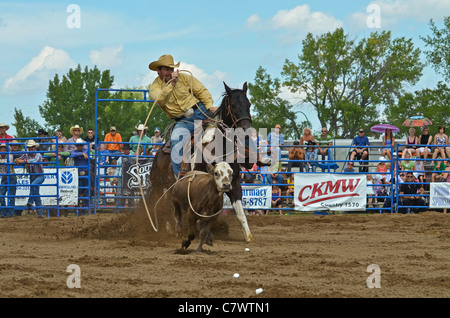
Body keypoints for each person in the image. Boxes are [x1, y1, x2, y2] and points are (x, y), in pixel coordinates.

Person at [148, 54, 217, 178]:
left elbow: (201, 91)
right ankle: (180, 177)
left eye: (171, 69)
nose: (170, 72)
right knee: (176, 141)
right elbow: (161, 100)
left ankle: (242, 160)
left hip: (200, 110)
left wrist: (209, 106)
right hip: (183, 121)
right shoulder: (155, 88)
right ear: (158, 71)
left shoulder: (184, 78)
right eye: (166, 69)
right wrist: (172, 84)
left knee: (229, 124)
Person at [14, 140, 45, 218]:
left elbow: (35, 160)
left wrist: (22, 161)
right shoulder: (26, 154)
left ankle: (30, 201)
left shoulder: (38, 155)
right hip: (32, 175)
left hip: (39, 175)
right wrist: (17, 160)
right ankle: (40, 214)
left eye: (32, 147)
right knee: (36, 194)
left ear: (35, 147)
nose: (30, 148)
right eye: (29, 147)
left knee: (33, 185)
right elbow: (20, 159)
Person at [70, 139, 90, 208]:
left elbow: (74, 154)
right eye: (78, 145)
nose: (79, 146)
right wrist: (82, 154)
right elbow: (72, 154)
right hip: (78, 173)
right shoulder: (76, 151)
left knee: (86, 190)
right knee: (78, 190)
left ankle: (85, 207)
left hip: (85, 173)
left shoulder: (86, 150)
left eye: (80, 145)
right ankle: (77, 206)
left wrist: (80, 154)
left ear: (83, 145)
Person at [0, 143, 15, 218]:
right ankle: (3, 213)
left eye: (4, 149)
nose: (2, 150)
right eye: (1, 149)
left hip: (11, 177)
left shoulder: (10, 156)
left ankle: (10, 213)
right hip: (4, 177)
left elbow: (7, 162)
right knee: (1, 196)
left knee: (11, 196)